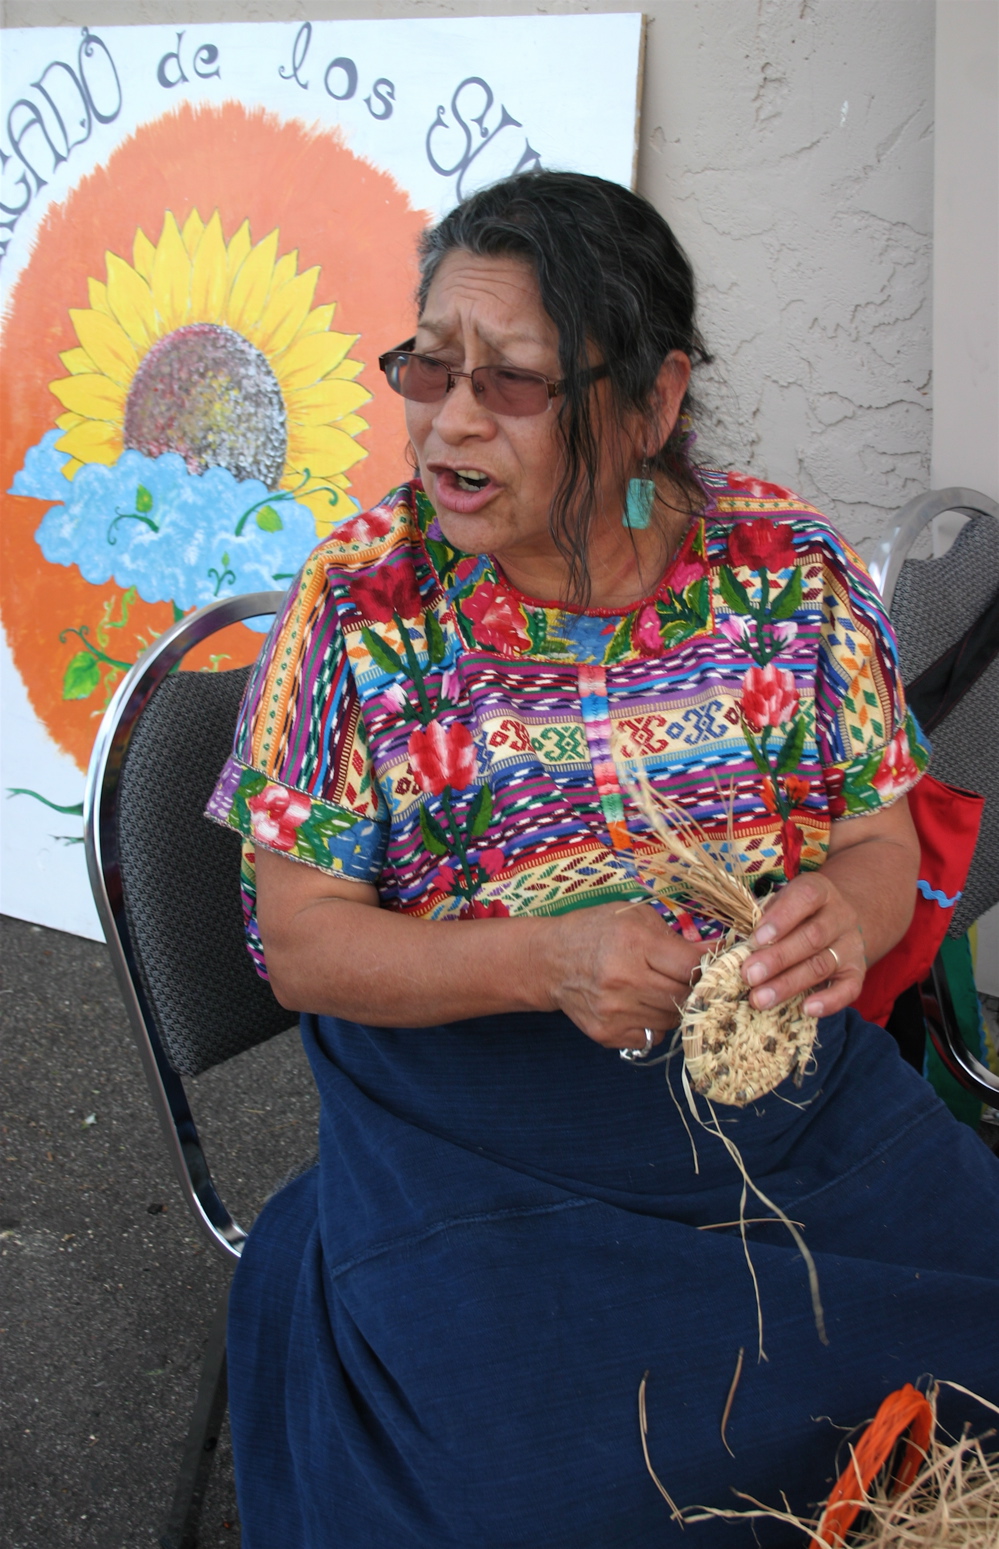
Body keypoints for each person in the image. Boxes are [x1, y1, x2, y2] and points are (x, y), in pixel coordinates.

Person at [206, 171, 999, 1548]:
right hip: (478, 1123)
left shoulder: (783, 571)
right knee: (544, 1484)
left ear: (650, 401)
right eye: (429, 366)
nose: (449, 420)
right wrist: (543, 958)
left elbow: (880, 835)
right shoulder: (364, 607)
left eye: (509, 383)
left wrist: (851, 918)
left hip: (778, 1100)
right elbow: (302, 942)